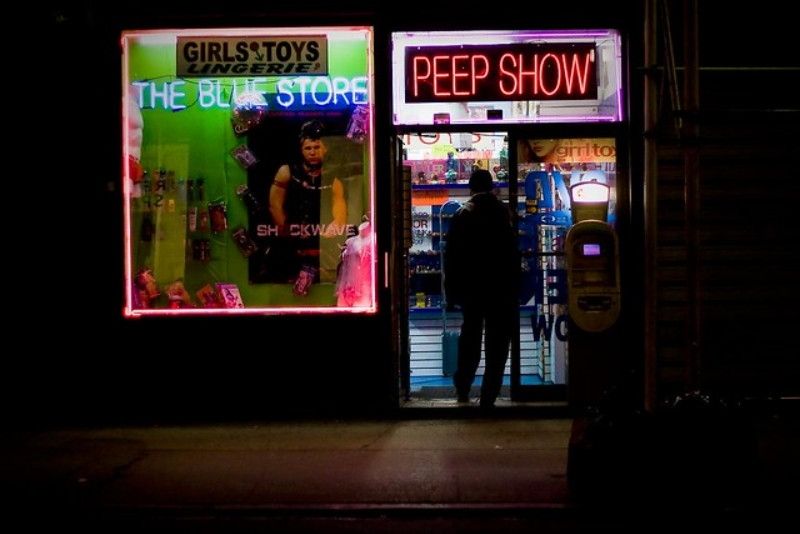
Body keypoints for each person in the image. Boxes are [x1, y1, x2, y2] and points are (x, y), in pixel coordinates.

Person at [444, 169, 518, 409]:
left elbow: (452, 256)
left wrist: (451, 290)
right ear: (493, 186)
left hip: (472, 288)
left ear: (470, 188)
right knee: (497, 343)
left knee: (470, 338)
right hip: (500, 287)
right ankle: (489, 395)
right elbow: (512, 252)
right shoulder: (503, 212)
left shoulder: (462, 213)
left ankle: (463, 387)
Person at [269, 120, 348, 284]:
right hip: (289, 245)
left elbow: (339, 207)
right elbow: (274, 205)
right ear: (301, 150)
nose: (312, 152)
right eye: (308, 148)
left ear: (325, 148)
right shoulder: (287, 171)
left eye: (317, 147)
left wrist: (336, 224)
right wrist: (287, 230)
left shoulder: (333, 177)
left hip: (320, 244)